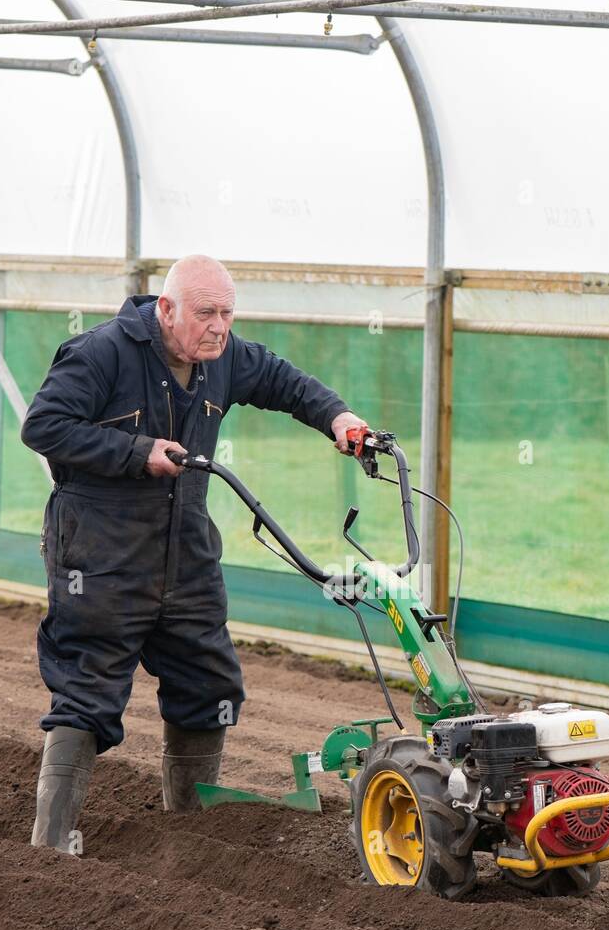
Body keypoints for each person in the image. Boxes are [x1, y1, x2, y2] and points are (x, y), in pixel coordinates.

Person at [21, 254, 369, 852]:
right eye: (206, 312)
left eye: (228, 313)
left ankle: (188, 838)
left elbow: (285, 382)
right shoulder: (101, 353)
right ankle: (49, 847)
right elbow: (44, 426)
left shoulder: (225, 357)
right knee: (89, 686)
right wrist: (137, 452)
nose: (219, 326)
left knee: (209, 685)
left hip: (186, 552)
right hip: (101, 552)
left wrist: (337, 417)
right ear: (166, 308)